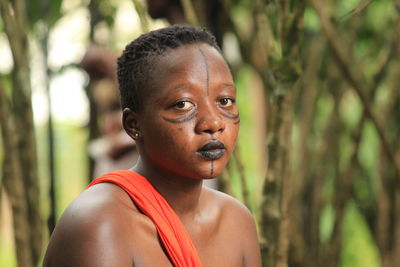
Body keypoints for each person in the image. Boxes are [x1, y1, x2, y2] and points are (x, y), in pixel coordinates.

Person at [43, 25, 261, 267]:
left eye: (225, 100)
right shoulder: (101, 224)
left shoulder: (236, 220)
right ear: (133, 124)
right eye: (183, 104)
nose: (213, 122)